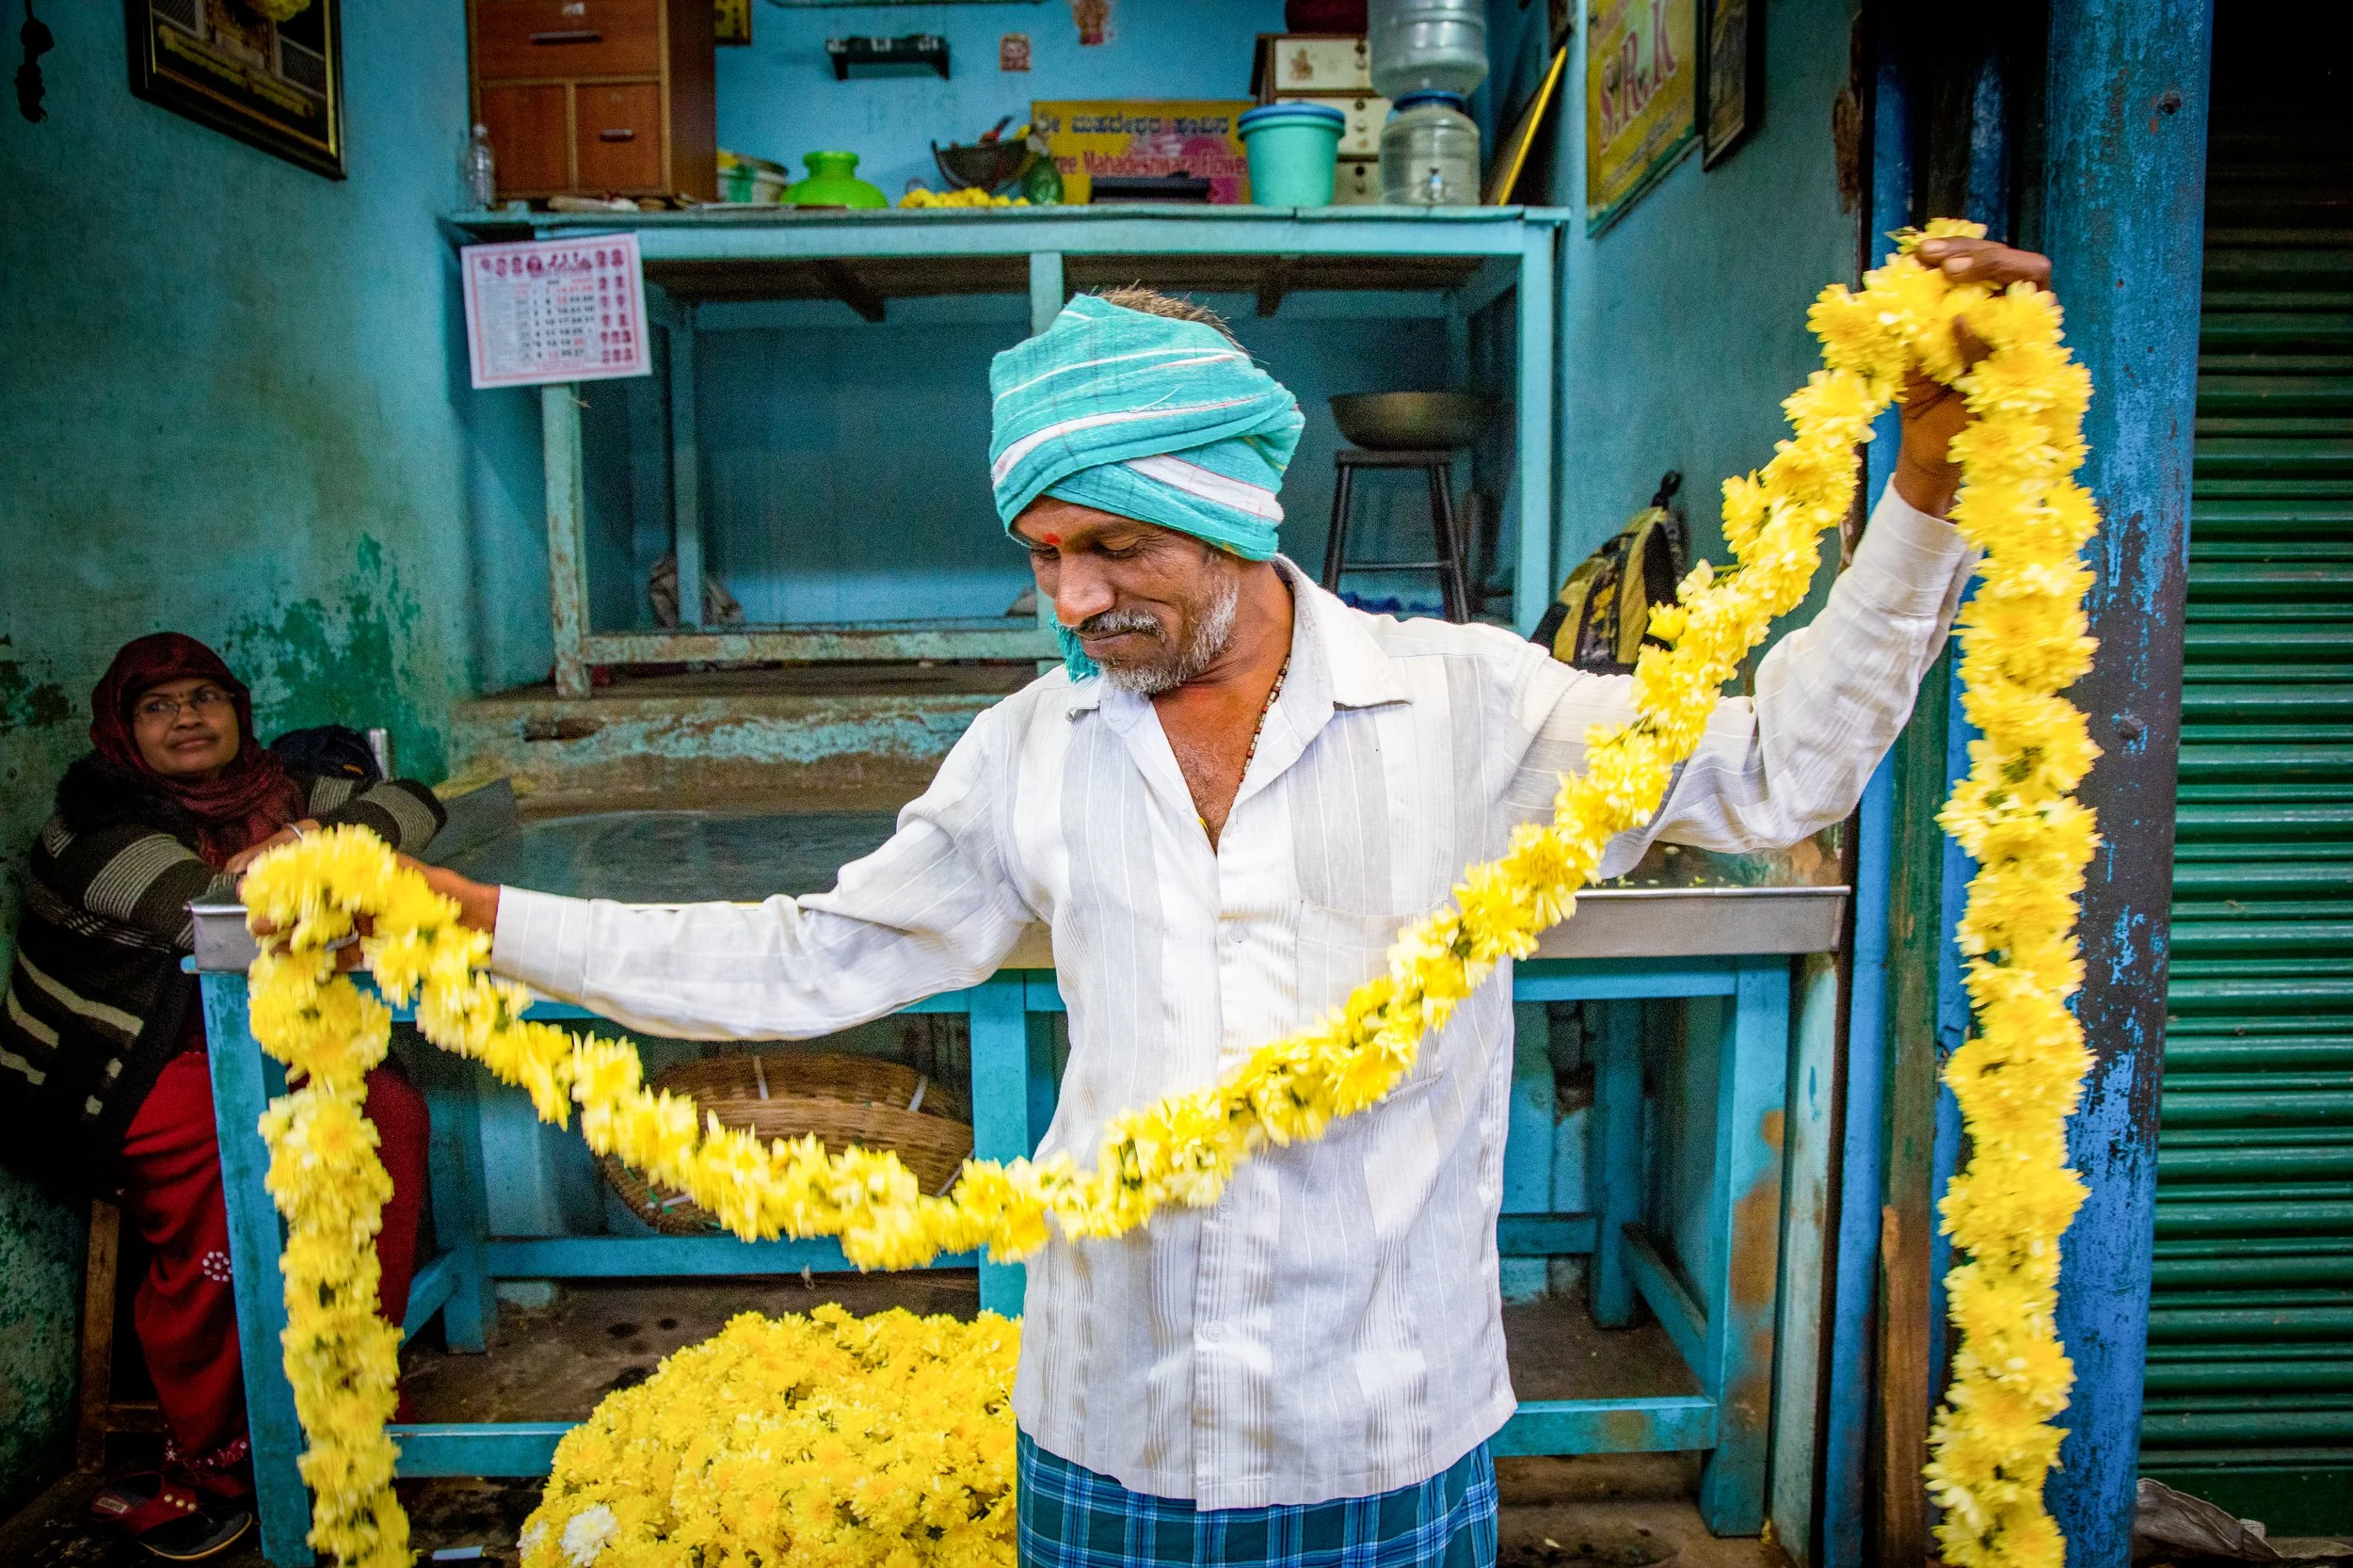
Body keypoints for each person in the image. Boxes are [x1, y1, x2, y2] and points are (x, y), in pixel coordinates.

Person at [414, 239, 2051, 1567]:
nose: (1074, 599)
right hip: (1106, 1424)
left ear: (1229, 515)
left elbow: (1782, 773)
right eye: (1042, 553)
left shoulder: (1475, 708)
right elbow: (809, 957)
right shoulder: (1026, 753)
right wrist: (481, 921)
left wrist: (1926, 484)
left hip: (1381, 1427)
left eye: (1115, 546)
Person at [0, 632, 445, 1561]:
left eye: (206, 697)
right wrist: (316, 852)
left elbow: (419, 799)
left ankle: (348, 1402)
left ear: (239, 709)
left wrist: (318, 834)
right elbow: (222, 914)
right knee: (229, 1154)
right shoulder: (92, 830)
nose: (189, 718)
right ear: (121, 732)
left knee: (390, 1117)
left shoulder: (273, 789)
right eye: (158, 707)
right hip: (121, 1071)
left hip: (256, 1039)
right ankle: (219, 1456)